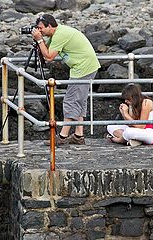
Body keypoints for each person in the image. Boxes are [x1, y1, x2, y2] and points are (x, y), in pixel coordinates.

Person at [31, 14, 100, 145]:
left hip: (83, 68)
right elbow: (46, 53)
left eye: (41, 28)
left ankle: (62, 136)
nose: (39, 31)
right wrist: (40, 40)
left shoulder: (60, 35)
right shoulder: (58, 33)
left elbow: (49, 56)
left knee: (70, 100)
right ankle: (78, 135)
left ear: (50, 26)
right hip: (85, 66)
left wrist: (39, 40)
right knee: (79, 100)